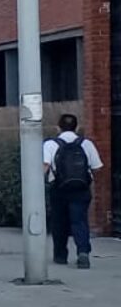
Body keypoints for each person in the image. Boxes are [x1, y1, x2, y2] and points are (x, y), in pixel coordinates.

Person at [43, 113, 103, 269]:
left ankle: (60, 255)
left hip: (58, 189)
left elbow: (45, 167)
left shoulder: (50, 144)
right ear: (77, 127)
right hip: (81, 189)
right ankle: (83, 252)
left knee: (59, 222)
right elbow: (96, 167)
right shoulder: (86, 144)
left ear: (58, 127)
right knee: (80, 221)